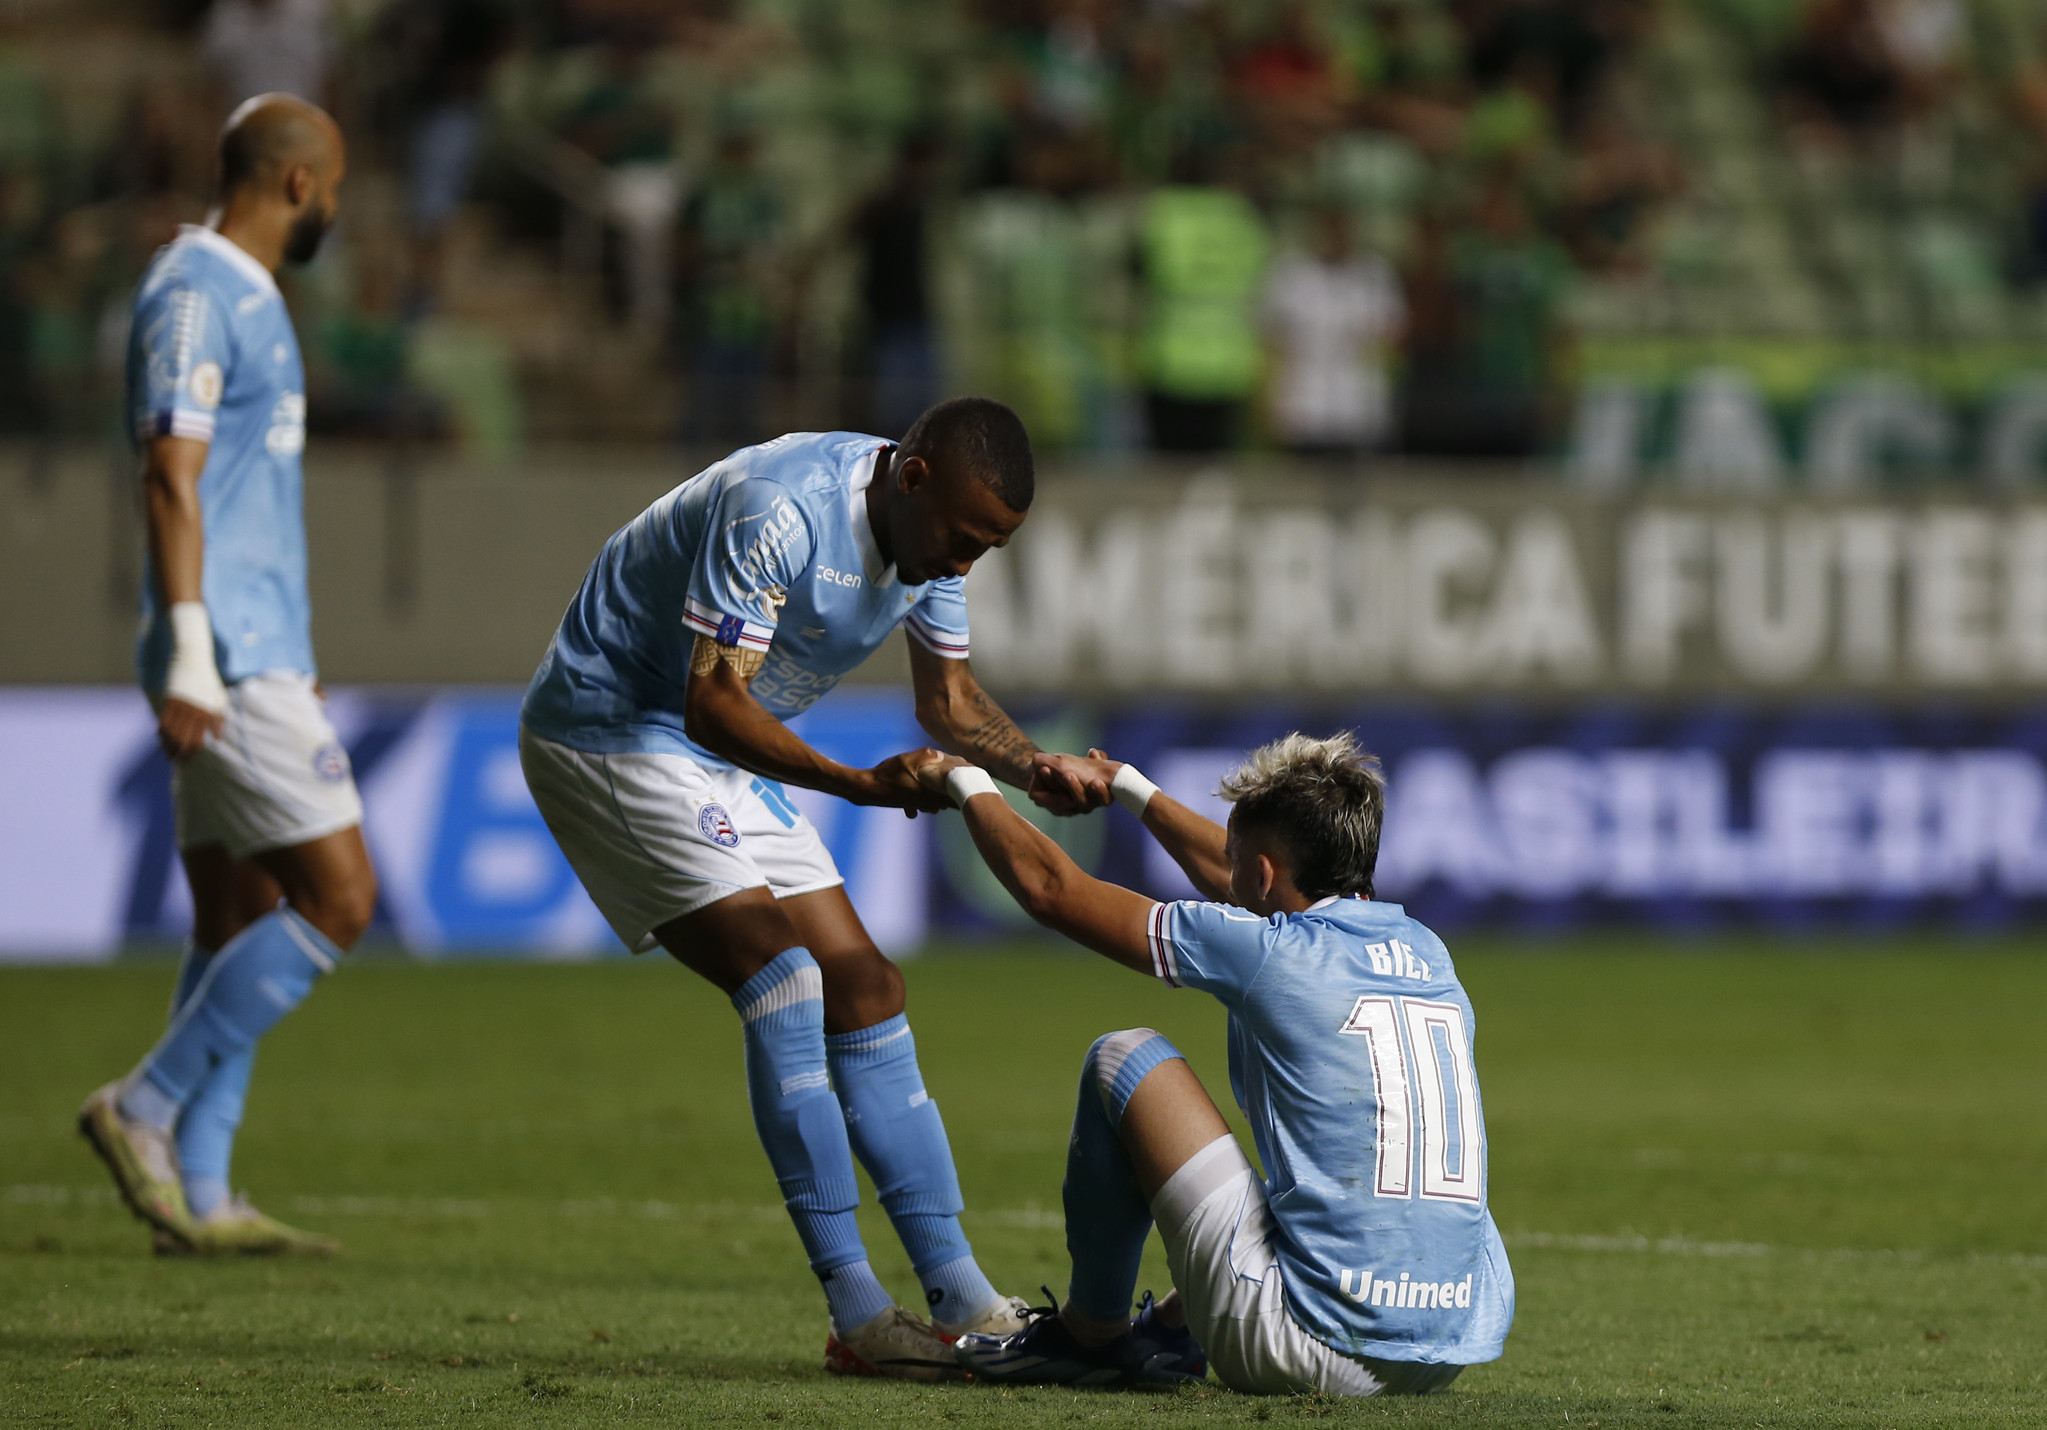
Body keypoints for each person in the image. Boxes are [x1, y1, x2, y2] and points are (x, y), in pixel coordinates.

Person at [517, 397, 1112, 1379]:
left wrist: (1030, 763)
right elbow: (712, 701)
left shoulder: (929, 540)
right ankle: (856, 1309)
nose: (965, 565)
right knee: (783, 977)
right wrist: (857, 784)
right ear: (912, 476)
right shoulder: (779, 509)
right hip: (612, 729)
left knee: (866, 985)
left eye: (987, 550)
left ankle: (963, 1297)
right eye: (964, 540)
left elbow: (949, 700)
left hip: (712, 754)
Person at [914, 732, 1514, 1395]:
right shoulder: (1426, 950)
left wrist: (961, 778)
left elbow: (1051, 889)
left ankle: (1089, 1335)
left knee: (1124, 1057)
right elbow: (1248, 880)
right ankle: (1173, 1330)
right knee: (1319, 1201)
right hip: (1446, 1345)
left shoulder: (1273, 954)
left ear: (1259, 873)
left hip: (1310, 1350)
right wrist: (1129, 788)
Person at [78, 95, 376, 1258]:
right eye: (338, 187)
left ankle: (198, 1196)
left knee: (237, 909)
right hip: (227, 658)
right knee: (339, 897)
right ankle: (142, 1108)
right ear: (300, 183)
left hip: (259, 649)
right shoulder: (199, 288)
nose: (339, 208)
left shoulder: (248, 297)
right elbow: (170, 474)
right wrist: (198, 652)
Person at [1261, 206, 1405, 457]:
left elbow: (1393, 336)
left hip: (1357, 406)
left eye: (1340, 230)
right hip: (1303, 404)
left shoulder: (1374, 275)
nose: (1333, 238)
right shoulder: (1290, 274)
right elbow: (1270, 338)